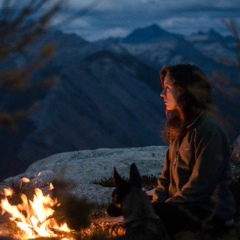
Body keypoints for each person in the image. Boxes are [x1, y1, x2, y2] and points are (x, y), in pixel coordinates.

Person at [147, 64, 236, 238]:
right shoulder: (180, 128)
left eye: (168, 88)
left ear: (185, 90)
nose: (162, 94)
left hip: (208, 215)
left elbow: (199, 187)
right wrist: (157, 202)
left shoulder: (209, 129)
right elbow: (165, 179)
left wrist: (160, 211)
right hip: (181, 207)